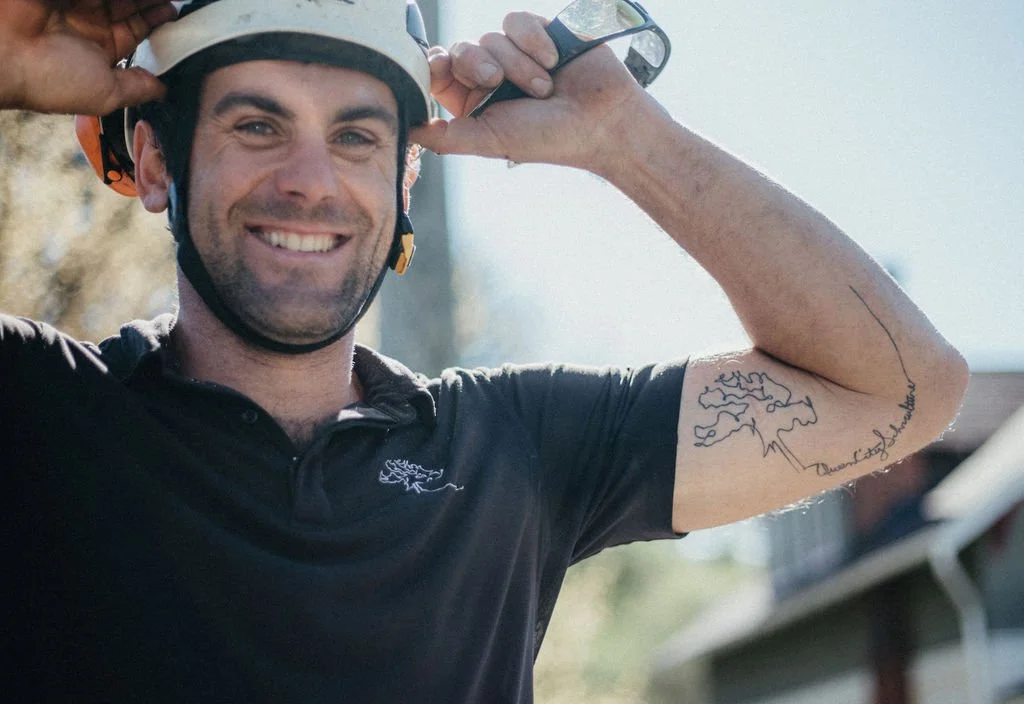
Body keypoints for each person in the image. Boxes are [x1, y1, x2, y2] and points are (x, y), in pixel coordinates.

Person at [0, 0, 968, 701]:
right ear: (159, 160)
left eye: (356, 136)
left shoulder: (513, 442)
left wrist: (626, 138)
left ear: (405, 176)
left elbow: (898, 388)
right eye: (257, 125)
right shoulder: (37, 405)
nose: (309, 180)